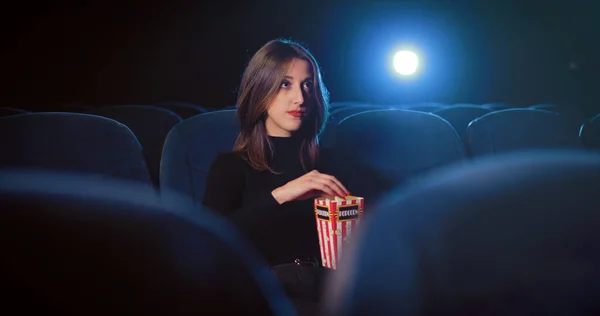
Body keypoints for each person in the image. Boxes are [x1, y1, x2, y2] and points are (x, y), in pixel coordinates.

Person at [202, 39, 350, 312]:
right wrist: (281, 195)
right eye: (285, 84)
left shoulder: (333, 162)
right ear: (260, 91)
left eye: (307, 85)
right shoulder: (231, 166)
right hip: (265, 292)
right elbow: (210, 241)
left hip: (333, 291)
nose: (300, 98)